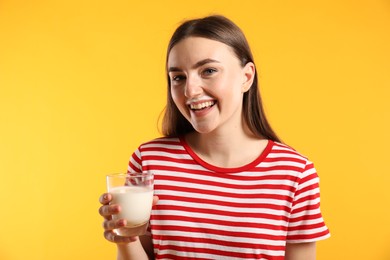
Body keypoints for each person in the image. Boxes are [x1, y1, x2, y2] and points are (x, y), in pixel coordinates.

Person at [99, 15, 330, 260]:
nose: (190, 90)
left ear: (246, 77)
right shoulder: (149, 162)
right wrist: (125, 240)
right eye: (178, 77)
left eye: (208, 70)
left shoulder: (295, 172)